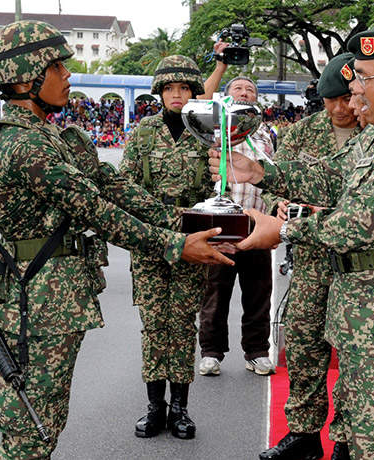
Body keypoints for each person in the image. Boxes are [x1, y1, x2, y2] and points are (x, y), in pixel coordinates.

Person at [0, 22, 232, 459]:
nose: (68, 76)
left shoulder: (55, 136)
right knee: (31, 422)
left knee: (48, 415)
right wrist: (175, 244)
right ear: (25, 79)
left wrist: (177, 220)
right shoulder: (23, 144)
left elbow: (111, 184)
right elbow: (96, 210)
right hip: (36, 298)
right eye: (57, 67)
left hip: (57, 294)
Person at [209, 23, 374, 459]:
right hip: (371, 316)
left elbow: (357, 223)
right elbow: (333, 173)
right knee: (364, 437)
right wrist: (261, 172)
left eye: (363, 77)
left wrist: (281, 229)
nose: (355, 89)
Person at [258, 53, 362, 460]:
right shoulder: (302, 133)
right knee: (303, 346)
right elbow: (274, 179)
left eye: (345, 98)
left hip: (354, 261)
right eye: (330, 99)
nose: (339, 109)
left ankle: (348, 439)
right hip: (311, 261)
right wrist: (278, 203)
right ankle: (303, 434)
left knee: (353, 353)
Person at [118, 55, 218, 441]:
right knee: (153, 325)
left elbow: (218, 189)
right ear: (159, 94)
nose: (176, 95)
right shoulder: (143, 132)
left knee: (182, 323)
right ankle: (154, 408)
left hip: (192, 242)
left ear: (194, 92)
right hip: (149, 244)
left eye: (184, 88)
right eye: (169, 89)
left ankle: (180, 408)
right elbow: (125, 185)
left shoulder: (206, 132)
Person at [198, 76, 276, 378]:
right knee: (215, 293)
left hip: (255, 225)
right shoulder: (213, 131)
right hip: (219, 228)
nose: (245, 93)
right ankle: (211, 352)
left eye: (251, 90)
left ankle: (256, 352)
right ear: (226, 96)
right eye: (238, 89)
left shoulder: (265, 136)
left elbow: (272, 177)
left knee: (258, 293)